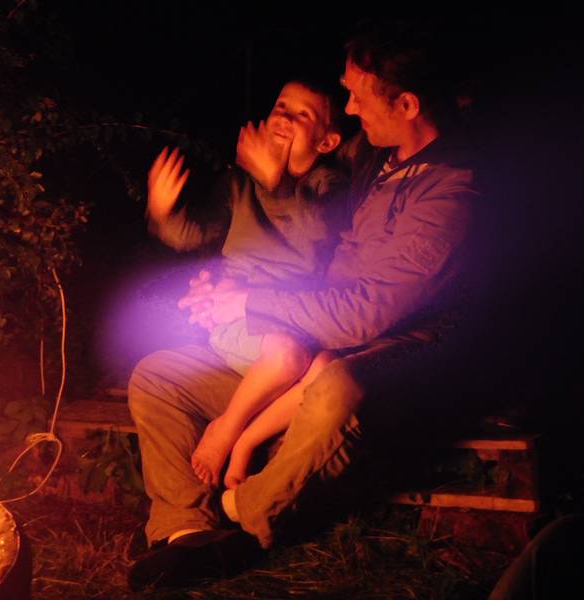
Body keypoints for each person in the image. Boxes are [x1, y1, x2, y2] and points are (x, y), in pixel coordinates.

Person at [128, 22, 477, 590]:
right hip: (312, 334)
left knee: (334, 385)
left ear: (406, 104)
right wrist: (220, 276)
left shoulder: (449, 194)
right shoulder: (377, 158)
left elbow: (366, 314)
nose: (350, 107)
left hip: (390, 349)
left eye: (358, 97)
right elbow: (281, 235)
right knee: (160, 375)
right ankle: (185, 528)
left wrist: (249, 299)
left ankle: (248, 524)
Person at [146, 79, 347, 489]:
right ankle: (227, 430)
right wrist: (162, 210)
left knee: (329, 369)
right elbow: (193, 233)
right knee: (287, 355)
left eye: (302, 114)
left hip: (304, 318)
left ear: (326, 142)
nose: (284, 116)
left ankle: (241, 437)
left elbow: (318, 237)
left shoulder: (330, 187)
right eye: (281, 105)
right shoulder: (239, 184)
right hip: (242, 319)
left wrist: (278, 184)